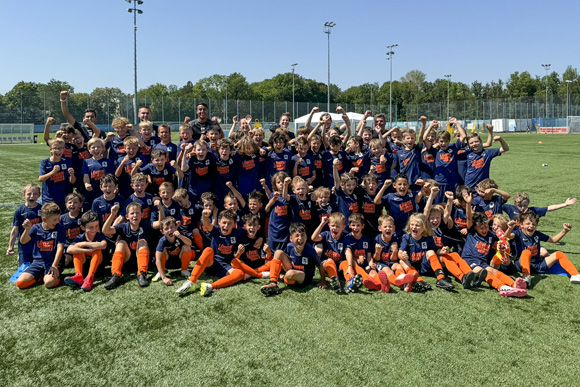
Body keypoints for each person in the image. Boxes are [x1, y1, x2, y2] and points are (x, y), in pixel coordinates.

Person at [175, 209, 246, 296]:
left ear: (234, 225)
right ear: (219, 222)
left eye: (229, 223)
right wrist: (205, 216)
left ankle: (210, 287)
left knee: (240, 274)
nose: (226, 226)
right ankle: (191, 282)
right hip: (211, 262)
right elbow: (207, 225)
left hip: (225, 266)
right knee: (208, 250)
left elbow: (236, 255)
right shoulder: (216, 230)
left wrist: (239, 252)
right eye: (224, 222)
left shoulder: (237, 233)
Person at [102, 201, 164, 289]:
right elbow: (105, 230)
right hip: (127, 260)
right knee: (121, 243)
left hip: (143, 260)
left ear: (142, 215)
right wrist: (112, 214)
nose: (135, 215)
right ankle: (116, 275)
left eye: (137, 213)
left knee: (142, 241)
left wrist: (160, 209)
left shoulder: (145, 224)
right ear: (127, 216)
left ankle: (142, 273)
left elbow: (160, 223)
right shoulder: (123, 226)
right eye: (132, 213)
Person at [510, 212, 580, 287]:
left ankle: (575, 275)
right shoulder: (518, 233)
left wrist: (565, 231)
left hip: (538, 265)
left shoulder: (537, 234)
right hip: (522, 265)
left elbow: (553, 240)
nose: (531, 226)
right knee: (526, 252)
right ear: (521, 224)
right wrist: (509, 228)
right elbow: (508, 236)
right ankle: (526, 278)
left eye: (534, 224)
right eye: (528, 224)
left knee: (559, 254)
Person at [260, 222, 325, 296]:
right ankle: (273, 283)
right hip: (291, 271)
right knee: (278, 252)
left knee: (289, 274)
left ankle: (283, 278)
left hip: (304, 277)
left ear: (306, 237)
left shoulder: (310, 251)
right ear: (291, 238)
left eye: (303, 235)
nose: (300, 238)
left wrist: (323, 281)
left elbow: (320, 265)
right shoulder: (289, 246)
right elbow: (284, 260)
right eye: (297, 236)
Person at [15, 203, 65, 289]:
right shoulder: (35, 228)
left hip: (52, 261)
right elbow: (23, 241)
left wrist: (54, 265)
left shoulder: (60, 228)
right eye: (55, 219)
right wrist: (27, 230)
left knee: (49, 283)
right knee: (20, 283)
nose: (57, 221)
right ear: (44, 219)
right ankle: (39, 277)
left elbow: (60, 248)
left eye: (58, 218)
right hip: (37, 261)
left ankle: (53, 277)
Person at [63, 211, 107, 291]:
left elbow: (103, 245)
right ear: (83, 228)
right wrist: (85, 246)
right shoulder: (80, 237)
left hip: (98, 268)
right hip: (84, 267)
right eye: (91, 227)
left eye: (96, 226)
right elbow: (69, 249)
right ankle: (78, 276)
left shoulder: (100, 235)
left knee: (97, 250)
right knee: (76, 250)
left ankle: (90, 278)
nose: (94, 229)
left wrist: (85, 245)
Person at [7, 184, 42, 273]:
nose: (32, 196)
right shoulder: (19, 211)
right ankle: (21, 256)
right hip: (25, 246)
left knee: (40, 269)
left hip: (39, 245)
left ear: (39, 195)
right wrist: (10, 247)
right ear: (24, 195)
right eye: (29, 194)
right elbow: (15, 230)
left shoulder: (42, 209)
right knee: (25, 271)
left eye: (35, 194)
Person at [153, 217, 195, 286]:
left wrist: (180, 236)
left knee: (187, 247)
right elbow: (157, 260)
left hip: (179, 261)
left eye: (172, 227)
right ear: (162, 231)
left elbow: (190, 243)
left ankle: (184, 270)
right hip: (167, 263)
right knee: (160, 251)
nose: (170, 230)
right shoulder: (162, 240)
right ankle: (161, 272)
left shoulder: (180, 235)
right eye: (166, 229)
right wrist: (164, 278)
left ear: (176, 227)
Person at [39, 138, 76, 211]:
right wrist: (52, 172)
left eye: (61, 148)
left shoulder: (66, 162)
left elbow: (72, 181)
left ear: (63, 150)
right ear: (51, 150)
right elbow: (40, 179)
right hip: (49, 199)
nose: (58, 151)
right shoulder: (45, 162)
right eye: (55, 148)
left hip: (64, 198)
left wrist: (72, 175)